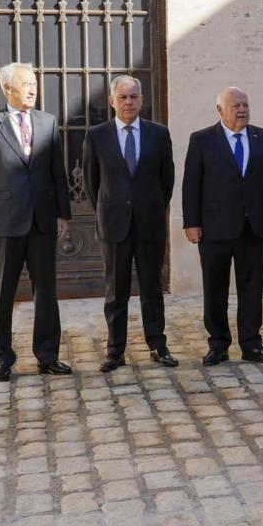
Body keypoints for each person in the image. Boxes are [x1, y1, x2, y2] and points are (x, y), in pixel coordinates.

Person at [0, 62, 72, 382]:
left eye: (34, 83)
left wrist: (62, 214)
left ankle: (48, 355)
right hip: (6, 222)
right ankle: (1, 358)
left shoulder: (47, 122)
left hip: (42, 221)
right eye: (25, 83)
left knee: (46, 292)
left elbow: (59, 173)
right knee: (2, 293)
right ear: (7, 89)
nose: (32, 88)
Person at [182, 87, 263, 366]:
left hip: (254, 227)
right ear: (220, 110)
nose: (242, 110)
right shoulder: (202, 140)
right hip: (214, 229)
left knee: (252, 288)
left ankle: (252, 344)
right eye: (236, 105)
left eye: (246, 105)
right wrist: (191, 223)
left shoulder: (262, 137)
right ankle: (218, 344)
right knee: (215, 289)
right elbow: (191, 185)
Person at [82, 75, 177, 372]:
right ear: (112, 101)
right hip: (114, 225)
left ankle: (157, 345)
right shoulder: (96, 136)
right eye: (122, 97)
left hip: (149, 224)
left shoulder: (158, 134)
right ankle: (115, 350)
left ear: (142, 100)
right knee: (116, 290)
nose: (128, 102)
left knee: (152, 287)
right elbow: (90, 183)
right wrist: (108, 209)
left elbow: (167, 180)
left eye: (134, 97)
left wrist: (151, 207)